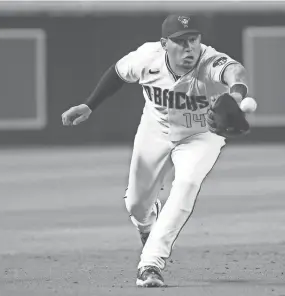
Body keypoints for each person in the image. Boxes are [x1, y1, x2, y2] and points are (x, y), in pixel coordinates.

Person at [61, 14, 255, 288]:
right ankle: (147, 221)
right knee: (136, 205)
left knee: (187, 184)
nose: (189, 48)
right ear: (165, 43)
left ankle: (150, 264)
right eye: (180, 42)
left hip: (201, 135)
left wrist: (236, 95)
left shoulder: (209, 60)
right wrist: (90, 105)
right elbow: (117, 73)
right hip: (155, 131)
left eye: (193, 40)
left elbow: (235, 71)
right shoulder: (147, 57)